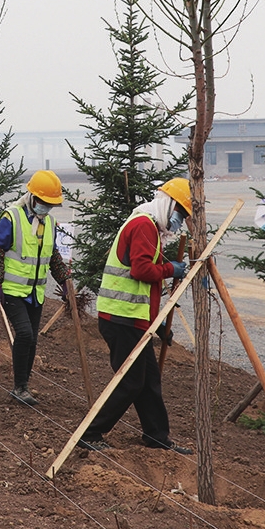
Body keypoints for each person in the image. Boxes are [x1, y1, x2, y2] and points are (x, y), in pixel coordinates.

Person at [78, 177, 193, 455]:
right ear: (169, 204)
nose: (180, 220)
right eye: (180, 212)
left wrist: (159, 321)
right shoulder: (143, 225)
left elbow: (147, 269)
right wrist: (172, 270)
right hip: (121, 318)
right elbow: (141, 270)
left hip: (133, 318)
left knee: (149, 379)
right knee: (130, 382)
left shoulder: (150, 226)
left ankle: (157, 436)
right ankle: (90, 433)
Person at [0, 170, 73, 406]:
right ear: (32, 197)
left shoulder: (49, 222)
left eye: (50, 204)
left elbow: (53, 255)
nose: (46, 207)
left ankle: (24, 386)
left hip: (36, 293)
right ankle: (19, 387)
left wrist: (65, 281)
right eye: (43, 202)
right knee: (24, 334)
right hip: (12, 291)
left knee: (32, 339)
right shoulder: (11, 218)